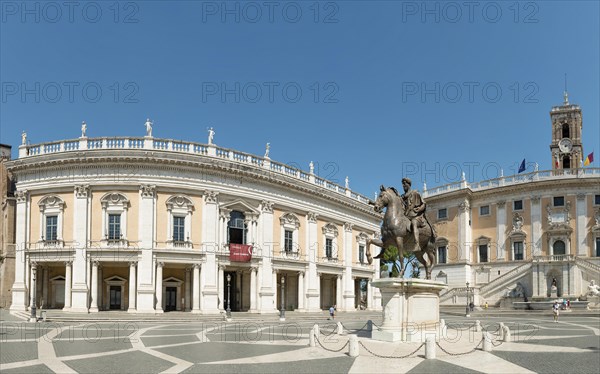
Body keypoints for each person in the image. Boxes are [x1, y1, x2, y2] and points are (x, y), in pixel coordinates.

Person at [401, 178, 427, 251]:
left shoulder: (415, 193)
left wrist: (419, 209)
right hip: (406, 216)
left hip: (416, 216)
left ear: (409, 184)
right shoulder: (402, 197)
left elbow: (424, 204)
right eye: (402, 184)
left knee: (413, 223)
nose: (403, 185)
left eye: (405, 183)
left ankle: (417, 244)